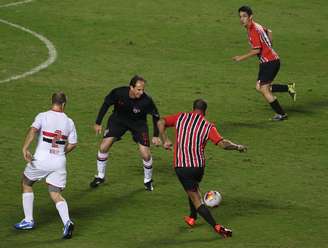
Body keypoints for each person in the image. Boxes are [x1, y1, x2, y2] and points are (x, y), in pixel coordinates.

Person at [157, 99, 247, 238]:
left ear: (193, 108)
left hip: (182, 166)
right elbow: (223, 144)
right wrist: (237, 146)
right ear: (205, 111)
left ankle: (217, 227)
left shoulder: (181, 117)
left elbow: (160, 122)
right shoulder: (207, 126)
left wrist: (165, 139)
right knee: (193, 188)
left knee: (196, 199)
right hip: (198, 168)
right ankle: (192, 217)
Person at [14, 92, 77, 239]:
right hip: (59, 161)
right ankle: (67, 222)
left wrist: (25, 148)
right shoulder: (69, 122)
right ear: (64, 104)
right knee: (55, 193)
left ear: (52, 102)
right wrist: (60, 153)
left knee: (26, 182)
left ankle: (28, 220)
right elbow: (73, 143)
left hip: (41, 160)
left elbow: (33, 131)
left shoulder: (43, 116)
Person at [89, 75, 161, 191]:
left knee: (145, 154)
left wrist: (156, 135)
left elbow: (156, 116)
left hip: (138, 124)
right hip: (119, 120)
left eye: (143, 89)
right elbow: (106, 104)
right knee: (103, 147)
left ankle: (148, 180)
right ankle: (100, 176)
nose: (141, 92)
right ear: (131, 87)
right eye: (139, 89)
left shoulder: (146, 101)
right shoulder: (118, 93)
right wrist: (98, 122)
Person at [232, 5, 296, 121]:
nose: (242, 19)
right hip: (268, 61)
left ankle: (281, 114)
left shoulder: (253, 30)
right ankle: (288, 87)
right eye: (240, 16)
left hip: (270, 62)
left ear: (250, 17)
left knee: (264, 89)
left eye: (244, 16)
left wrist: (241, 58)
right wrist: (269, 46)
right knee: (259, 87)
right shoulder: (256, 26)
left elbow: (256, 50)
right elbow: (269, 31)